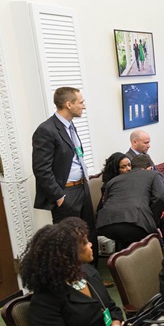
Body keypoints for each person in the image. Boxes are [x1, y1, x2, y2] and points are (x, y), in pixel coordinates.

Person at [20, 219, 124, 326]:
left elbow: (111, 309)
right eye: (84, 243)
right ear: (66, 254)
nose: (91, 244)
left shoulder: (88, 273)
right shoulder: (45, 301)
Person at [32, 87, 97, 262]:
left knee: (88, 234)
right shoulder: (46, 130)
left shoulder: (70, 125)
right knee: (70, 242)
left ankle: (92, 278)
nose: (84, 106)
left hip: (82, 188)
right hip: (66, 194)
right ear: (68, 104)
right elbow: (41, 169)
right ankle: (74, 280)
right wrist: (59, 196)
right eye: (81, 102)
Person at [96, 154, 164, 251]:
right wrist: (153, 221)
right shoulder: (155, 175)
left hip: (105, 224)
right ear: (150, 168)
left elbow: (106, 202)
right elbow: (159, 198)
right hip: (135, 221)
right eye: (123, 166)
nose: (127, 169)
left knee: (126, 241)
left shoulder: (113, 181)